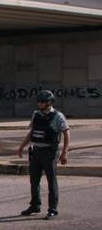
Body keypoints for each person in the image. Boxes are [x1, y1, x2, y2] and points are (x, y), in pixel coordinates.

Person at [17, 90, 70, 219]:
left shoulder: (58, 116)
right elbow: (32, 133)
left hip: (50, 153)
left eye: (42, 101)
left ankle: (52, 209)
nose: (39, 103)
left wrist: (64, 153)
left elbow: (66, 134)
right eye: (38, 101)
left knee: (51, 182)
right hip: (36, 152)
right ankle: (35, 205)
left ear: (49, 102)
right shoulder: (36, 114)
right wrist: (22, 146)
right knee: (34, 180)